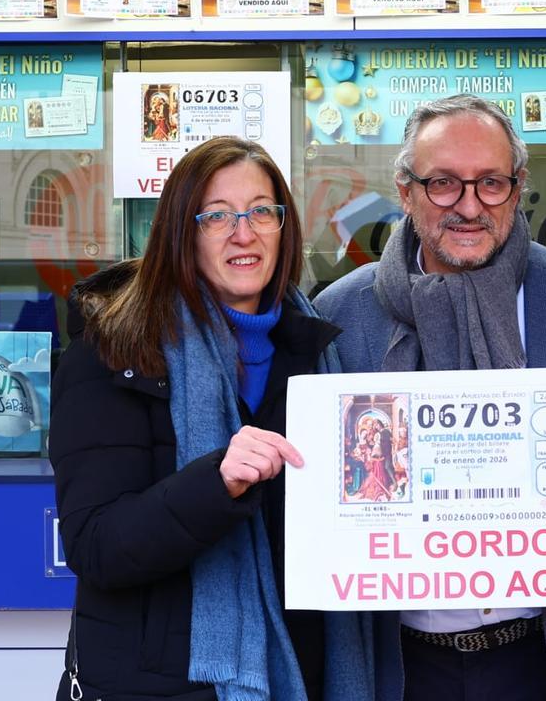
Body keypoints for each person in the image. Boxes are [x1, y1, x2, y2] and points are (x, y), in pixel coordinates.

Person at [314, 94, 546, 701]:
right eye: (442, 183)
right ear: (405, 191)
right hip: (402, 668)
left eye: (490, 182)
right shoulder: (340, 314)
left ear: (518, 188)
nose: (468, 205)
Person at [50, 137, 373, 701]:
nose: (243, 233)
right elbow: (96, 546)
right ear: (182, 232)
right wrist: (215, 482)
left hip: (299, 676)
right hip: (163, 685)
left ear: (283, 227)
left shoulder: (320, 352)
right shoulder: (115, 351)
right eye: (217, 216)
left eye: (261, 212)